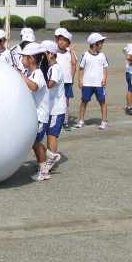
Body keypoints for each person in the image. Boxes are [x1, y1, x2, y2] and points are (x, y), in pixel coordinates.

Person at [19, 43, 50, 181]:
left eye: (23, 57)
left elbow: (34, 86)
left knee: (35, 143)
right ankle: (50, 155)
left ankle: (44, 171)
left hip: (40, 116)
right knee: (33, 141)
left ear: (31, 58)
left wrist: (21, 76)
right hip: (33, 115)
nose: (21, 60)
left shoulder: (38, 73)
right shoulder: (28, 73)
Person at [75, 33, 109, 130]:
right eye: (100, 42)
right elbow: (81, 68)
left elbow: (105, 68)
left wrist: (104, 79)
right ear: (94, 44)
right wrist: (80, 80)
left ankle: (104, 121)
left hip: (99, 84)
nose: (102, 45)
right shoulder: (85, 55)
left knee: (102, 102)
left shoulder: (102, 55)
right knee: (84, 101)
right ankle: (81, 120)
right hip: (87, 83)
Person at [42, 40, 65, 172]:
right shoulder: (51, 68)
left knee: (52, 135)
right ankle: (48, 159)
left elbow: (51, 84)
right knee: (49, 134)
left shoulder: (55, 68)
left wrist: (38, 84)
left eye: (44, 53)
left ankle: (50, 161)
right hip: (51, 108)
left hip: (57, 109)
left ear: (51, 54)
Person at [54, 28, 77, 129]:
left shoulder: (69, 53)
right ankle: (54, 119)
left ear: (68, 43)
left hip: (67, 81)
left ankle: (65, 121)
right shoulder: (54, 52)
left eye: (64, 40)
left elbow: (74, 64)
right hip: (56, 81)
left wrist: (72, 78)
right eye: (60, 40)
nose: (62, 42)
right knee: (55, 99)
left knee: (66, 101)